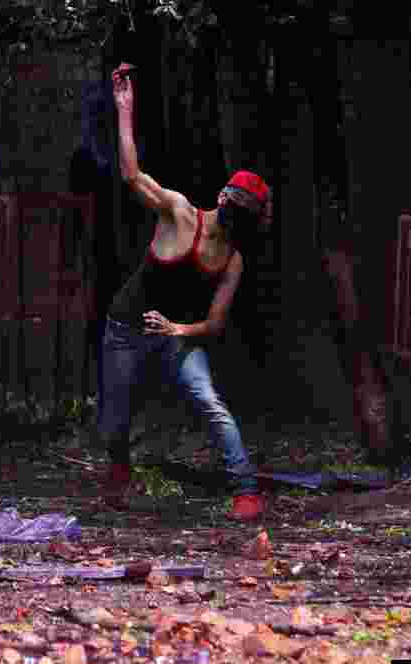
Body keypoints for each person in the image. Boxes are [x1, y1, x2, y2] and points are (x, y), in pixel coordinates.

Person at [98, 63, 270, 521]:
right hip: (126, 327)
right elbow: (132, 175)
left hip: (177, 337)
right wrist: (125, 110)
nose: (234, 216)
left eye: (245, 214)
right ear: (222, 198)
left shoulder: (233, 261)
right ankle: (118, 466)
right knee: (114, 422)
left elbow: (214, 324)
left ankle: (246, 489)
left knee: (210, 403)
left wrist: (176, 328)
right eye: (234, 205)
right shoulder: (179, 213)